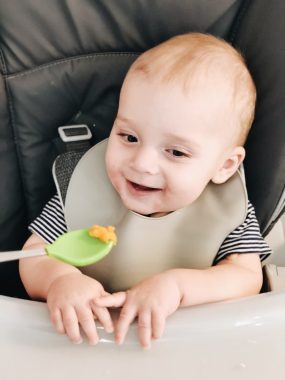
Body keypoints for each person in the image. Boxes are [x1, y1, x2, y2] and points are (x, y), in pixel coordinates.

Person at [20, 33, 271, 349]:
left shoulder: (226, 208)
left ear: (224, 165)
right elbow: (35, 251)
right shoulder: (83, 186)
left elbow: (247, 276)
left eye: (176, 152)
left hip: (180, 346)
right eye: (129, 137)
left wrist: (178, 288)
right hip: (86, 339)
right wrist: (60, 280)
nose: (141, 163)